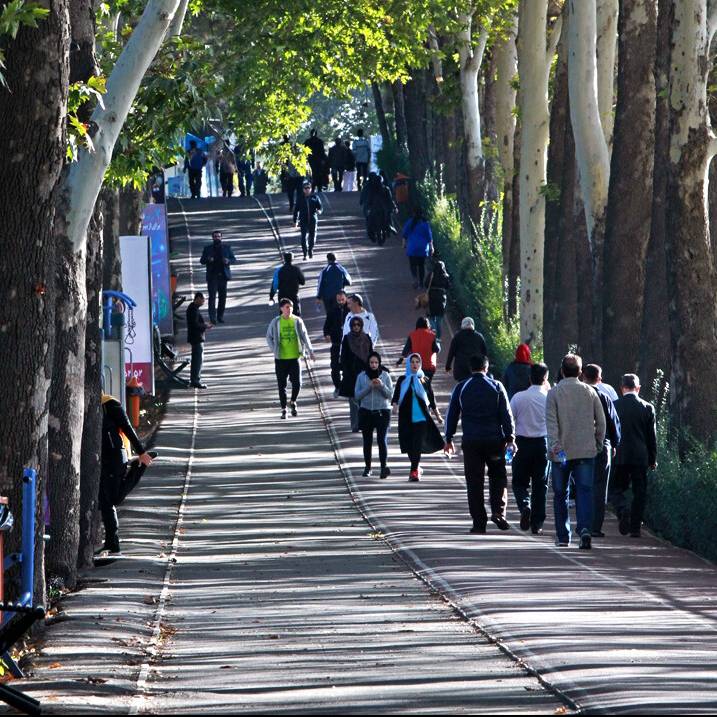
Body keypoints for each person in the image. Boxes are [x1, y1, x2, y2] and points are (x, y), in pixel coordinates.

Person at [444, 354, 515, 533]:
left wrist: (449, 438)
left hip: (471, 442)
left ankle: (479, 522)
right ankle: (499, 512)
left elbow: (452, 414)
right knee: (498, 475)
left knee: (474, 481)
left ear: (470, 368)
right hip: (494, 441)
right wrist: (510, 438)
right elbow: (506, 414)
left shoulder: (461, 387)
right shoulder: (497, 386)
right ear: (487, 367)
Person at [546, 353, 606, 550]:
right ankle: (585, 529)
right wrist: (597, 443)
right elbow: (602, 422)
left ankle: (563, 536)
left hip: (561, 453)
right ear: (580, 372)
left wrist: (555, 446)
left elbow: (551, 423)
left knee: (561, 493)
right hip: (585, 451)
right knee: (585, 491)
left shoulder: (554, 393)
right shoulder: (590, 392)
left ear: (562, 371)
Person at [99, 393, 155, 554]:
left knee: (111, 499)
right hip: (101, 459)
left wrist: (141, 451)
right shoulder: (90, 404)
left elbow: (127, 427)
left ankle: (140, 466)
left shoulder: (110, 404)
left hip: (115, 456)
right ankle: (112, 543)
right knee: (106, 500)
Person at [609, 374, 657, 538]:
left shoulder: (613, 405)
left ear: (622, 388)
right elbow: (652, 437)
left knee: (615, 489)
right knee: (640, 492)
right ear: (638, 388)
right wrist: (652, 458)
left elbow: (609, 431)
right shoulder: (648, 407)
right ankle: (635, 527)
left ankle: (623, 509)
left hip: (620, 455)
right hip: (640, 456)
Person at [509, 363, 550, 534]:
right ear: (545, 378)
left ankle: (525, 505)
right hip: (542, 444)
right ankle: (537, 523)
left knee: (519, 482)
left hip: (522, 443)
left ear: (529, 378)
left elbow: (510, 420)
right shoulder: (549, 397)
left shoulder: (518, 397)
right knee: (541, 485)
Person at [582, 363, 622, 537]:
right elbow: (614, 422)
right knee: (600, 487)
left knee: (583, 485)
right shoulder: (604, 397)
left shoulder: (577, 396)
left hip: (579, 444)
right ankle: (595, 526)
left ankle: (583, 523)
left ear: (583, 375)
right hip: (602, 444)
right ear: (599, 378)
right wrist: (614, 443)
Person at [392, 354, 444, 481]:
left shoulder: (424, 379)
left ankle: (413, 471)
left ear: (420, 364)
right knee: (409, 443)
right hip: (406, 417)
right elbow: (396, 395)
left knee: (417, 443)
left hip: (421, 418)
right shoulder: (402, 379)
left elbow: (431, 399)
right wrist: (394, 406)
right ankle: (416, 466)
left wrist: (438, 416)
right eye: (412, 362)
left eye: (417, 362)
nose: (415, 364)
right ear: (408, 364)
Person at [266, 299, 315, 419]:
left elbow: (305, 336)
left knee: (297, 383)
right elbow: (269, 337)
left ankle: (293, 401)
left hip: (294, 357)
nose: (289, 309)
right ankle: (283, 409)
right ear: (281, 308)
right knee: (281, 385)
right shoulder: (276, 322)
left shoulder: (297, 321)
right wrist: (274, 350)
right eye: (287, 307)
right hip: (281, 359)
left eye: (291, 307)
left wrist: (310, 351)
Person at [355, 351, 393, 478]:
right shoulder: (361, 376)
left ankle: (383, 467)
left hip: (382, 411)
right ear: (368, 363)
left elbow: (390, 395)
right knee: (367, 440)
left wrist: (381, 386)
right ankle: (368, 467)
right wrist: (369, 387)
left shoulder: (385, 376)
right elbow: (357, 395)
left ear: (379, 363)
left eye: (376, 362)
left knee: (382, 439)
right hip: (366, 411)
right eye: (371, 362)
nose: (373, 365)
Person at [340, 316, 373, 432]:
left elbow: (371, 355)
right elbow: (343, 357)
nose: (356, 327)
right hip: (351, 374)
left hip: (365, 373)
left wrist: (374, 370)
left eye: (358, 325)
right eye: (354, 325)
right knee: (353, 401)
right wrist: (345, 371)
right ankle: (355, 424)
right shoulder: (347, 338)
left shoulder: (367, 338)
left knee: (365, 400)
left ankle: (364, 424)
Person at [199, 230, 237, 324]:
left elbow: (234, 259)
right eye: (215, 236)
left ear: (221, 237)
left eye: (218, 236)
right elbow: (202, 260)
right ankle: (213, 318)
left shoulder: (227, 248)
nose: (217, 238)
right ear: (212, 238)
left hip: (223, 277)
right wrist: (208, 259)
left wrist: (228, 261)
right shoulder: (207, 248)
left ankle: (220, 316)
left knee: (222, 297)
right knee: (212, 297)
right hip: (212, 277)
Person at [324, 290, 350, 398]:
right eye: (338, 300)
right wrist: (327, 334)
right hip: (336, 344)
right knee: (334, 367)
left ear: (346, 299)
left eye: (342, 300)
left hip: (348, 345)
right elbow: (327, 325)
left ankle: (346, 387)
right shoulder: (332, 310)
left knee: (346, 367)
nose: (340, 302)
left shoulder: (350, 311)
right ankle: (338, 387)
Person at [397, 317, 440, 383]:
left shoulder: (412, 335)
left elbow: (406, 350)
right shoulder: (432, 335)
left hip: (416, 367)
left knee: (415, 386)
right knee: (427, 386)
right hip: (428, 367)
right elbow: (436, 350)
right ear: (427, 325)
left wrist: (400, 361)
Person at [445, 317, 488, 382]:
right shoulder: (479, 337)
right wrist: (485, 366)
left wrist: (448, 366)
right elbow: (484, 353)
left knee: (462, 386)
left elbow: (451, 352)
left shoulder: (457, 336)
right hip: (475, 368)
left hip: (460, 368)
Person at [402, 207, 434, 288]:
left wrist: (404, 244)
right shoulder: (425, 223)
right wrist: (431, 247)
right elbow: (429, 237)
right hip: (422, 248)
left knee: (412, 264)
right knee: (421, 265)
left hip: (412, 248)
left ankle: (415, 279)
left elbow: (404, 234)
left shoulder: (410, 222)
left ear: (413, 213)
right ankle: (421, 282)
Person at [186, 292, 211, 389]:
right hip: (196, 338)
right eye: (203, 300)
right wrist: (205, 326)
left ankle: (195, 379)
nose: (204, 302)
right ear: (197, 298)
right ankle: (195, 380)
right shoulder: (192, 309)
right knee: (198, 360)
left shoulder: (194, 308)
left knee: (198, 359)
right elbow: (195, 325)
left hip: (197, 338)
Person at [293, 180, 322, 259]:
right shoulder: (300, 198)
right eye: (305, 188)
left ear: (311, 189)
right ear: (303, 189)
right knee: (303, 237)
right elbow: (296, 210)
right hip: (303, 220)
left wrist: (319, 211)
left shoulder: (315, 197)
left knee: (312, 236)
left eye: (308, 188)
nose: (307, 189)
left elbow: (320, 207)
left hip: (313, 219)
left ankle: (310, 250)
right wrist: (295, 221)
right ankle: (305, 253)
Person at [365, 173, 397, 245]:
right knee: (389, 219)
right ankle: (390, 227)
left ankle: (371, 233)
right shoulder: (385, 189)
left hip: (375, 210)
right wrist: (394, 207)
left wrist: (368, 207)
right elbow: (390, 200)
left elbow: (369, 200)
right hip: (384, 210)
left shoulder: (373, 189)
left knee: (369, 222)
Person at [424, 255, 450, 340]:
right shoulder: (445, 276)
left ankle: (433, 329)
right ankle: (438, 337)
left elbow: (426, 284)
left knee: (431, 316)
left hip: (431, 296)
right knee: (439, 318)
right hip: (441, 298)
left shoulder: (431, 274)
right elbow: (448, 286)